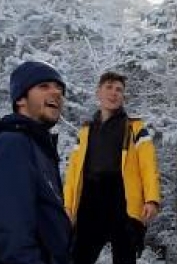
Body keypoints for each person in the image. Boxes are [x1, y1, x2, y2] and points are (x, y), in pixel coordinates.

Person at [0, 60, 72, 264]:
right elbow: (11, 226)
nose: (56, 93)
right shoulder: (11, 145)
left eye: (59, 88)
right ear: (20, 100)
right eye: (44, 86)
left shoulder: (40, 150)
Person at [64, 71, 162, 264]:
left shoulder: (135, 128)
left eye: (119, 89)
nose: (114, 93)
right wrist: (67, 205)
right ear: (98, 93)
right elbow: (73, 172)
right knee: (77, 257)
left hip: (122, 201)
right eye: (109, 87)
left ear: (123, 97)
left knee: (125, 257)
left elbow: (148, 165)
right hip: (89, 202)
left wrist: (152, 199)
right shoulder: (85, 131)